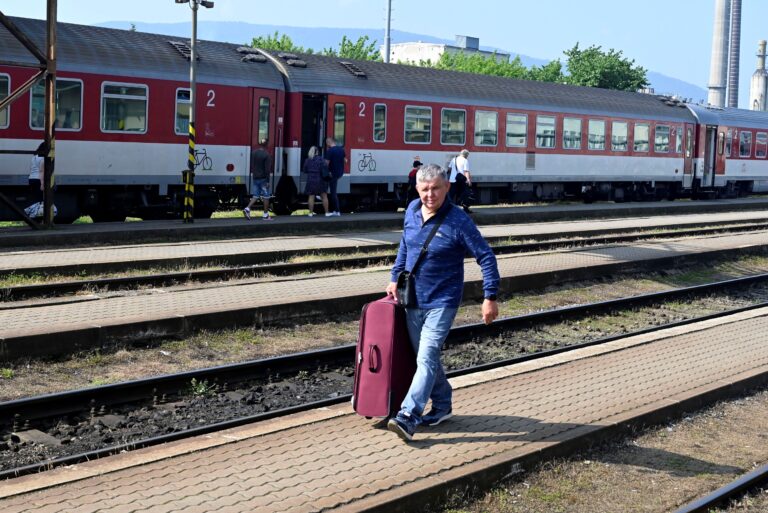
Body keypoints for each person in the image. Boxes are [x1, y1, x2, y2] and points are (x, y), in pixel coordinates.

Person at [385, 163, 500, 441]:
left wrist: (490, 297)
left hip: (443, 301)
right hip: (413, 298)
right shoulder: (412, 211)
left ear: (447, 186)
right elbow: (406, 247)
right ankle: (443, 405)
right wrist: (394, 277)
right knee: (426, 357)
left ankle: (408, 416)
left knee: (425, 357)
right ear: (417, 189)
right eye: (425, 189)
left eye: (436, 188)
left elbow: (486, 257)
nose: (430, 195)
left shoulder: (458, 220)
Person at [243, 139, 273, 220]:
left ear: (260, 144)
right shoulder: (267, 155)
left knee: (256, 195)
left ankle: (247, 208)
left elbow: (252, 164)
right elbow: (267, 170)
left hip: (255, 177)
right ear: (266, 145)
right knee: (266, 196)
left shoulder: (253, 153)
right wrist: (267, 181)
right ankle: (265, 215)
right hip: (263, 179)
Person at [302, 146, 330, 217]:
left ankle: (310, 213)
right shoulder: (321, 159)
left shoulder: (307, 160)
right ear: (317, 152)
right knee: (324, 196)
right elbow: (325, 169)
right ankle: (326, 213)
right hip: (320, 180)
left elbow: (305, 170)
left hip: (311, 180)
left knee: (311, 196)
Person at [449, 149, 473, 213]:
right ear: (466, 155)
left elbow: (449, 169)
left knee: (452, 194)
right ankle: (465, 208)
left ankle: (448, 208)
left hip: (452, 179)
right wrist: (468, 180)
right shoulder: (465, 160)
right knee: (464, 194)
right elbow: (466, 171)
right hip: (461, 180)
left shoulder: (454, 159)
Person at [325, 137, 345, 216]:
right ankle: (335, 210)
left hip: (332, 173)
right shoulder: (341, 150)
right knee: (333, 191)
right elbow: (345, 160)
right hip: (339, 173)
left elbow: (326, 163)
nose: (327, 145)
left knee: (333, 193)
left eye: (327, 144)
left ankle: (337, 211)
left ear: (329, 142)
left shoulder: (330, 151)